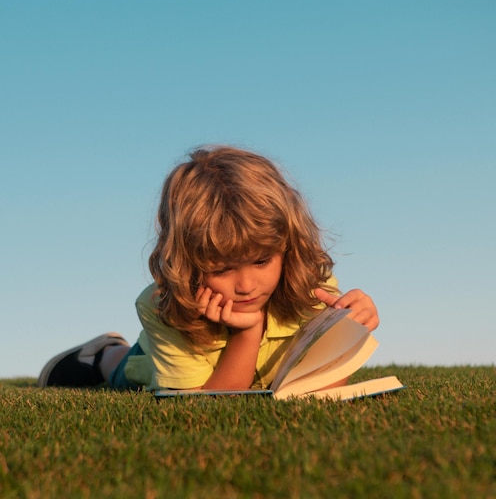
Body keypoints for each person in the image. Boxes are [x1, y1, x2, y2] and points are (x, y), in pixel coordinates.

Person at [38, 145, 379, 391]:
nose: (246, 285)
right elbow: (211, 405)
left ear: (287, 248)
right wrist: (248, 331)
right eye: (223, 268)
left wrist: (346, 330)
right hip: (158, 360)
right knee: (126, 373)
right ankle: (103, 352)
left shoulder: (308, 284)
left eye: (262, 261)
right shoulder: (162, 308)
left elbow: (325, 383)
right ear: (188, 263)